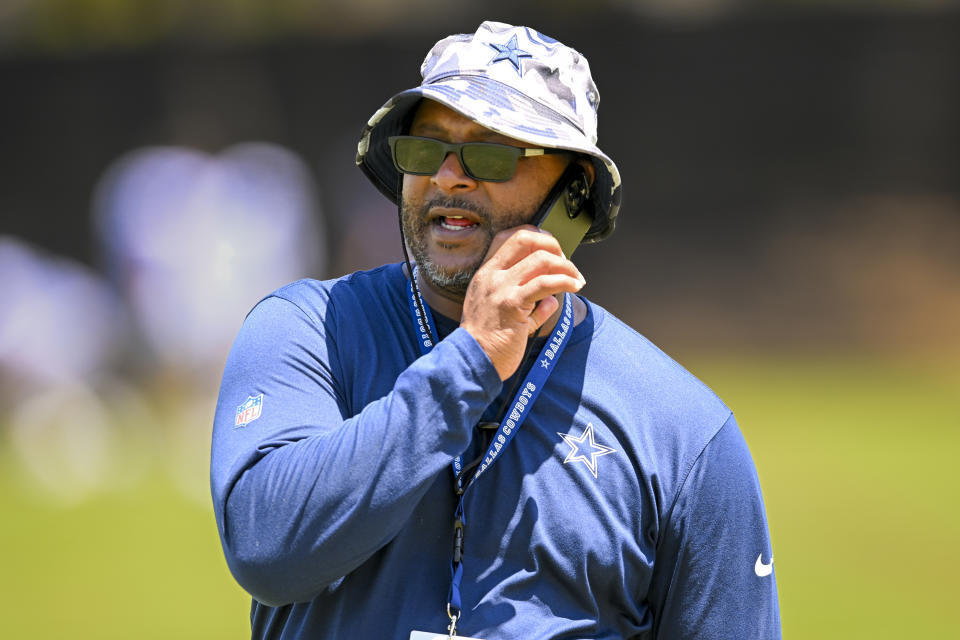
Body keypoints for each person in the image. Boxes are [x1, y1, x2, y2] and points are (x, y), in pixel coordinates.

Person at [210, 21, 780, 640]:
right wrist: (472, 360)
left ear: (575, 194)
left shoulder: (685, 432)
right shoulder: (306, 330)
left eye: (491, 152)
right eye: (426, 148)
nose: (449, 176)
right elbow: (266, 548)